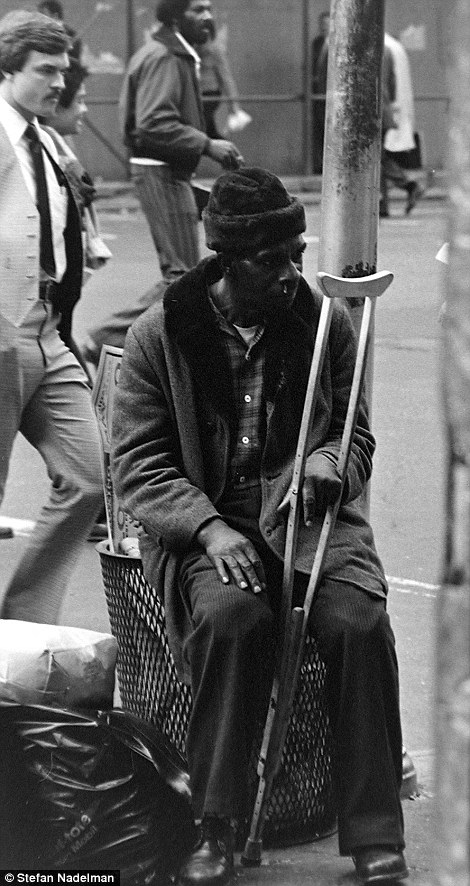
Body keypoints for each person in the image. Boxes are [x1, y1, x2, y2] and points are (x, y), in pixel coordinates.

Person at [112, 166, 409, 886]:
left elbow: (353, 433)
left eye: (298, 255)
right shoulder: (162, 334)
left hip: (308, 517)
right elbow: (139, 467)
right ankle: (216, 825)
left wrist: (326, 461)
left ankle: (373, 831)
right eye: (272, 260)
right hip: (208, 523)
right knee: (232, 620)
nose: (291, 274)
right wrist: (209, 530)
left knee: (358, 621)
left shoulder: (324, 323)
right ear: (227, 259)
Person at [0, 10, 103, 624]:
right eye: (46, 70)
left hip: (45, 333)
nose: (59, 82)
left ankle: (20, 625)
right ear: (8, 68)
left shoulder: (45, 138)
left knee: (90, 478)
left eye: (63, 70)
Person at [380, 40, 422, 218]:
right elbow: (392, 83)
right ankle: (382, 203)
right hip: (383, 108)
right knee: (376, 157)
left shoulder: (365, 47)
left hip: (371, 110)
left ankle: (406, 185)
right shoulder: (387, 49)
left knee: (374, 158)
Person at [197, 17, 251, 140]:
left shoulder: (215, 51)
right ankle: (228, 153)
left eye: (206, 37)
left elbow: (226, 79)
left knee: (202, 126)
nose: (202, 43)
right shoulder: (191, 50)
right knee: (209, 132)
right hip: (195, 95)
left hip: (210, 95)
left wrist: (234, 107)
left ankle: (227, 153)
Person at [311, 10, 329, 174]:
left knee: (327, 129)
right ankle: (318, 164)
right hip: (316, 94)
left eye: (327, 24)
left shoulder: (338, 44)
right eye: (322, 25)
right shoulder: (316, 43)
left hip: (328, 94)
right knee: (317, 129)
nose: (324, 27)